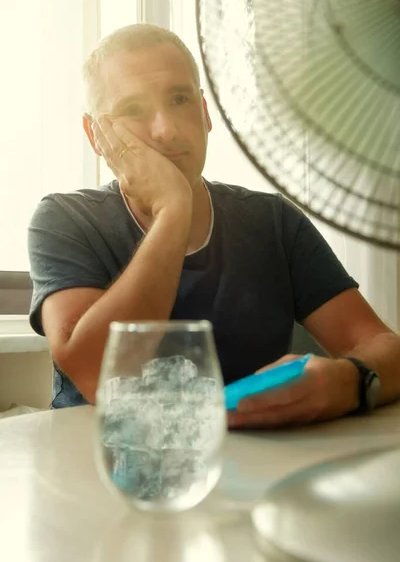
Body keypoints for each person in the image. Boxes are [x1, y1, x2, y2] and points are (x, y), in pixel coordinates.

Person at [28, 23, 400, 426]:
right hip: (98, 467)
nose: (165, 130)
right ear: (96, 135)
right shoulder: (64, 220)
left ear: (205, 112)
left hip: (253, 466)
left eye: (179, 98)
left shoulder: (274, 222)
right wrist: (173, 209)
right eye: (133, 110)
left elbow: (382, 345)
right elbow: (99, 377)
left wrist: (346, 380)